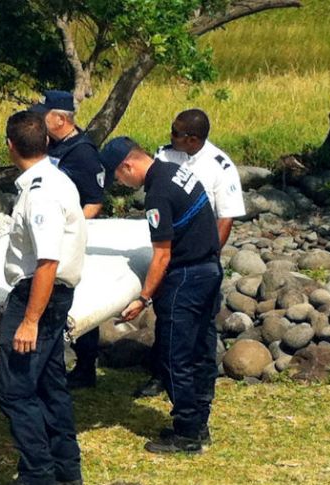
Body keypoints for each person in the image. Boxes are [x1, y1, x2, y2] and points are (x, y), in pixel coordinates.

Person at [99, 136, 223, 454]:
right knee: (198, 350)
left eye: (118, 177)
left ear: (127, 165)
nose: (120, 184)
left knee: (173, 356)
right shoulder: (174, 171)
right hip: (209, 268)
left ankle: (187, 434)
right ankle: (198, 423)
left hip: (185, 278)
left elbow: (162, 256)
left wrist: (143, 298)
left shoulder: (157, 193)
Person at [0, 111, 86, 485]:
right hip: (52, 294)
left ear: (10, 146)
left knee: (15, 392)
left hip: (38, 296)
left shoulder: (40, 194)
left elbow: (48, 261)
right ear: (47, 142)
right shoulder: (58, 179)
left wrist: (29, 320)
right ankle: (66, 469)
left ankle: (38, 474)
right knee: (50, 387)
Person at [134, 108, 246, 398]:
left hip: (198, 255)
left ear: (193, 139)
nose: (170, 136)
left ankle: (202, 382)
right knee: (166, 316)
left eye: (176, 132)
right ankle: (161, 374)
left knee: (202, 325)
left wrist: (207, 254)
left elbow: (226, 217)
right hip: (169, 249)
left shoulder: (219, 166)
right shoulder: (165, 155)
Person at [29, 90, 104, 391]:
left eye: (43, 115)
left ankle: (85, 367)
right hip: (50, 231)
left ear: (60, 119)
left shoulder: (83, 151)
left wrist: (73, 231)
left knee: (78, 299)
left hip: (71, 239)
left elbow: (95, 200)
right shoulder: (54, 147)